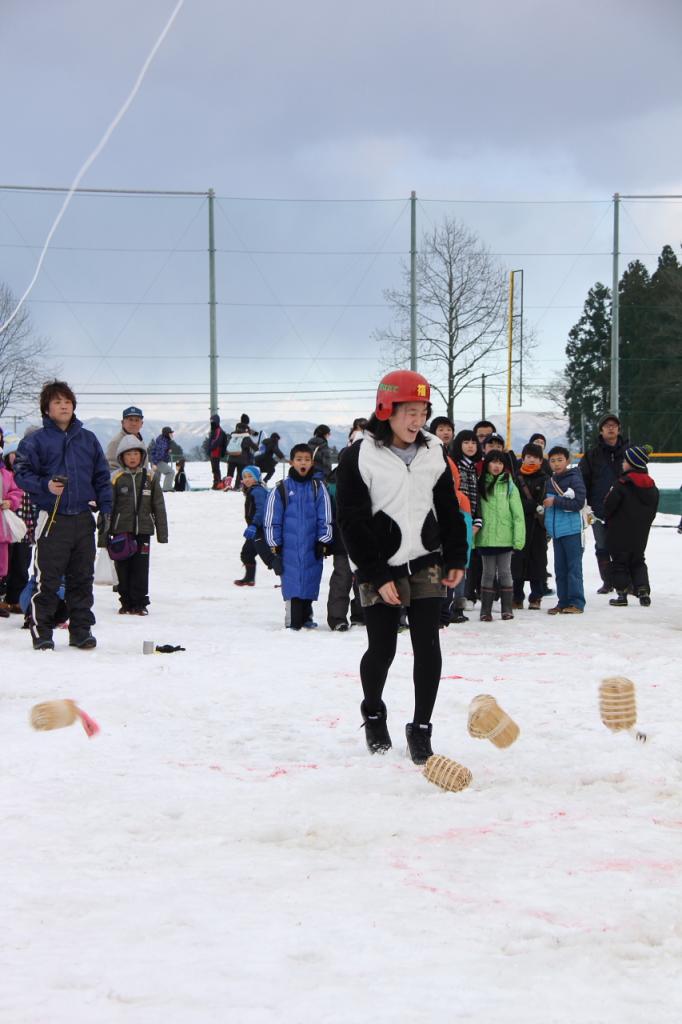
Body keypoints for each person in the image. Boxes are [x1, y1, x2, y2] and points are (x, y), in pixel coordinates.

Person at [336, 370, 467, 764]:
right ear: (387, 410)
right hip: (379, 564)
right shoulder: (359, 455)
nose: (418, 421)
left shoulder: (434, 451)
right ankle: (373, 710)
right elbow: (351, 521)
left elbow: (448, 505)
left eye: (423, 411)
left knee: (429, 646)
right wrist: (378, 573)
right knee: (383, 648)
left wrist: (457, 555)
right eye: (410, 411)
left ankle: (421, 728)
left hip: (425, 558)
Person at [14, 379, 112, 650]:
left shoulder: (88, 438)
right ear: (47, 408)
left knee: (82, 578)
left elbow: (102, 476)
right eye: (57, 402)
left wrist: (106, 508)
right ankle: (42, 631)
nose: (64, 406)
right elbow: (21, 474)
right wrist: (45, 485)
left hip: (82, 518)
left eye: (67, 401)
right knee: (48, 579)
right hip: (52, 517)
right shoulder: (35, 440)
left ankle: (81, 631)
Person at [264, 443, 333, 630]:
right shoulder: (281, 489)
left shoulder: (318, 488)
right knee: (292, 582)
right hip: (289, 548)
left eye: (307, 459)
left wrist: (323, 540)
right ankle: (293, 618)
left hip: (312, 546)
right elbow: (272, 520)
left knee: (310, 579)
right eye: (299, 459)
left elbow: (325, 517)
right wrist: (274, 545)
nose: (303, 463)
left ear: (312, 462)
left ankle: (307, 614)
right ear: (291, 462)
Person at [106, 434, 168, 614]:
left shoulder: (151, 477)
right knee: (123, 568)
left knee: (141, 568)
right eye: (128, 454)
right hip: (121, 531)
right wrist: (103, 536)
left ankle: (140, 603)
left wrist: (162, 533)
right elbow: (108, 507)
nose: (132, 457)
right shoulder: (115, 478)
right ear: (121, 457)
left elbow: (159, 506)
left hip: (143, 531)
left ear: (142, 456)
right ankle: (125, 602)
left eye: (135, 453)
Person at [579, 413, 629, 594]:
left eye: (614, 425)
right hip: (598, 510)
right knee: (602, 546)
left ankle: (626, 582)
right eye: (606, 425)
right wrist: (585, 505)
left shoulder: (628, 452)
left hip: (624, 509)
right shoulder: (592, 455)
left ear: (619, 429)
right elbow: (582, 480)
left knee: (624, 546)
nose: (610, 428)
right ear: (601, 430)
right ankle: (608, 581)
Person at [603, 444, 659, 608]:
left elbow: (609, 506)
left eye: (625, 460)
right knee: (638, 560)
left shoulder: (622, 484)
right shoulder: (652, 487)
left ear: (632, 463)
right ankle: (642, 590)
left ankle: (622, 594)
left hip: (619, 532)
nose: (622, 463)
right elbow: (654, 510)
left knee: (620, 562)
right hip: (641, 533)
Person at [474, 450, 525, 622]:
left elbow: (518, 514)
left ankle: (507, 609)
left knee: (505, 572)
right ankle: (485, 611)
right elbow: (476, 512)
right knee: (487, 573)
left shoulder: (509, 485)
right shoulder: (480, 484)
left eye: (500, 463)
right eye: (493, 462)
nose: (497, 466)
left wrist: (518, 539)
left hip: (505, 537)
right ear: (487, 463)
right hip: (486, 538)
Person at [543, 446, 586, 615]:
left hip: (572, 531)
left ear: (568, 461)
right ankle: (563, 602)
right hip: (557, 532)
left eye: (560, 460)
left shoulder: (574, 479)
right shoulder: (550, 481)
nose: (556, 464)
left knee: (573, 568)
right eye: (552, 461)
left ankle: (577, 602)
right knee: (560, 569)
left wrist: (556, 501)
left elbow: (578, 503)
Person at [512, 443, 550, 610]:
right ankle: (517, 597)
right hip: (519, 526)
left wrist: (532, 506)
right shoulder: (515, 478)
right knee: (517, 562)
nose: (531, 460)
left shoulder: (546, 479)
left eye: (535, 457)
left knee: (538, 562)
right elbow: (513, 502)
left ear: (541, 461)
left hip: (538, 527)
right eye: (528, 457)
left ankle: (536, 597)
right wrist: (532, 506)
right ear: (523, 458)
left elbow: (546, 503)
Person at [0, 440, 36, 615]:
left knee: (21, 565)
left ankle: (15, 599)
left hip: (24, 529)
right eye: (12, 454)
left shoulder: (30, 475)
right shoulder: (6, 474)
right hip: (6, 527)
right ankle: (5, 598)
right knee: (5, 565)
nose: (16, 457)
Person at [452, 429, 483, 607]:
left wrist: (477, 521)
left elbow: (475, 497)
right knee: (455, 560)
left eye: (473, 442)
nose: (470, 446)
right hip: (456, 518)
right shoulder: (455, 465)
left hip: (469, 520)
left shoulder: (472, 467)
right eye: (466, 442)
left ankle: (459, 601)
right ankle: (453, 602)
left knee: (464, 561)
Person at [234, 465, 272, 586]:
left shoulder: (258, 491)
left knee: (269, 557)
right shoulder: (251, 490)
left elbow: (261, 511)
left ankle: (287, 579)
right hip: (254, 529)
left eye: (250, 476)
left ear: (257, 478)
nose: (247, 479)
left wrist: (254, 525)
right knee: (247, 553)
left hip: (260, 529)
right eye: (244, 477)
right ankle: (249, 578)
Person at [0, 446, 24, 614]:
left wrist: (10, 501)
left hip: (2, 526)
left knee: (3, 565)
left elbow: (16, 491)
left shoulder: (5, 474)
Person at [106, 405, 144, 474]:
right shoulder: (116, 442)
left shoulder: (139, 440)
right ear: (122, 423)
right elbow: (111, 469)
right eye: (130, 420)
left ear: (141, 424)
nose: (133, 423)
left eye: (137, 420)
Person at [226, 423, 259, 490]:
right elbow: (255, 448)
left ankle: (228, 485)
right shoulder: (246, 437)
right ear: (245, 429)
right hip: (242, 459)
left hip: (231, 458)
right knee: (241, 473)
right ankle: (239, 486)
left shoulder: (232, 436)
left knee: (230, 473)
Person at [149, 426, 175, 492]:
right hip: (158, 461)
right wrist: (154, 464)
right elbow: (159, 453)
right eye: (170, 433)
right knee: (170, 472)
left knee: (157, 477)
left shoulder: (164, 440)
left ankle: (154, 490)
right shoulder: (163, 442)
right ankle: (167, 488)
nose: (172, 434)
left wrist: (167, 450)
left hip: (156, 461)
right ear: (166, 434)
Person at [205, 414, 228, 489]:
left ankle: (217, 482)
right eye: (211, 421)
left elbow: (216, 441)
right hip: (213, 452)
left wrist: (210, 448)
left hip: (216, 452)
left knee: (215, 468)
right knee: (214, 468)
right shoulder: (214, 430)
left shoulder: (218, 430)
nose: (211, 422)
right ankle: (216, 482)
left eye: (213, 421)